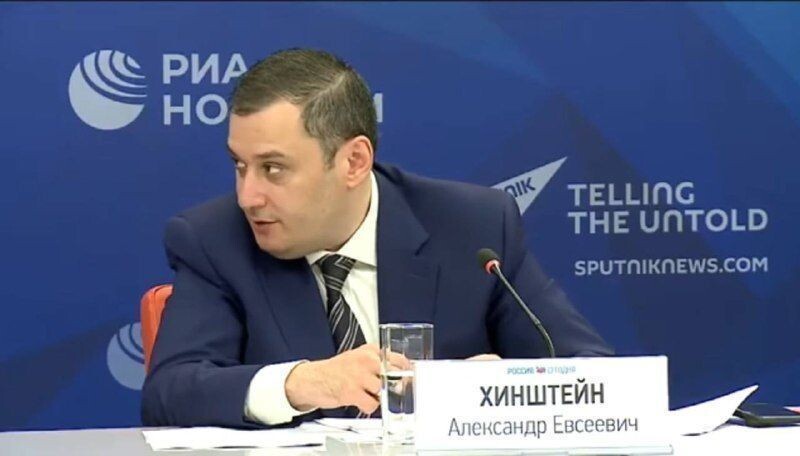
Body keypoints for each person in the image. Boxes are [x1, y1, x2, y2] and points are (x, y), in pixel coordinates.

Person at [141, 48, 612, 429]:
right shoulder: (215, 240)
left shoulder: (474, 227)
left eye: (273, 169)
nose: (248, 196)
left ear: (353, 162)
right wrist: (301, 383)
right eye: (240, 165)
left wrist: (502, 388)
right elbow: (171, 393)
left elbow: (593, 373)